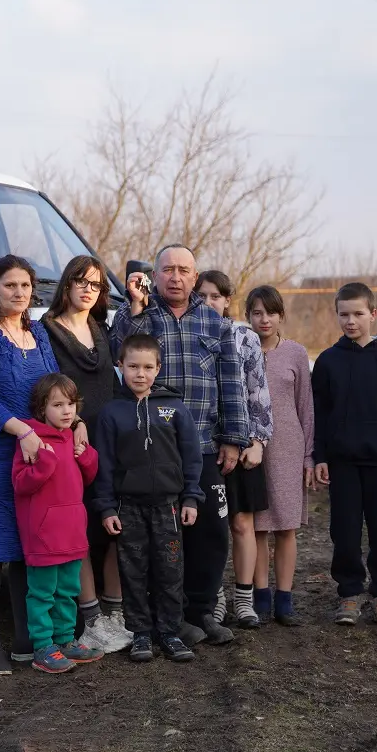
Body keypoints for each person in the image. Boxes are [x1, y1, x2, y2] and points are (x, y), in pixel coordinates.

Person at [112, 245, 251, 648]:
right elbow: (116, 352)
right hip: (150, 447)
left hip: (205, 445)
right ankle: (164, 617)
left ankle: (201, 612)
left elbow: (232, 382)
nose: (175, 277)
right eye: (167, 270)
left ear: (195, 277)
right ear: (154, 276)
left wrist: (233, 438)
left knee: (210, 530)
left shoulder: (215, 322)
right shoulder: (139, 314)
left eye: (184, 270)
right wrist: (134, 309)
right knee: (159, 536)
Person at [0, 254, 62, 675]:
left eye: (25, 286)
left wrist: (73, 425)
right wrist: (22, 431)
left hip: (36, 457)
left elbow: (56, 387)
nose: (19, 293)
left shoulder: (38, 332)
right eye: (10, 286)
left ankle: (26, 639)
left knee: (27, 548)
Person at [312, 282, 377, 627]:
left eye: (358, 314)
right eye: (344, 314)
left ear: (373, 314)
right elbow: (320, 413)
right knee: (344, 531)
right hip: (342, 462)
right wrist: (321, 456)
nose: (351, 321)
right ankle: (349, 593)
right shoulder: (329, 361)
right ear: (337, 316)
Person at [40, 256, 132, 654]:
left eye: (95, 284)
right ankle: (91, 619)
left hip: (107, 441)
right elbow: (46, 390)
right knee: (79, 535)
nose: (88, 289)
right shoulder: (45, 331)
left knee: (112, 526)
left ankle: (115, 616)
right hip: (71, 445)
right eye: (81, 281)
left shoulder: (101, 328)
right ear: (66, 284)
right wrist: (72, 422)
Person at [94, 334, 202, 663]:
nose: (140, 374)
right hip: (129, 508)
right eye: (133, 366)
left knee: (170, 570)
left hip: (169, 506)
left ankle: (169, 631)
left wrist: (191, 498)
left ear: (158, 369)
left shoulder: (175, 408)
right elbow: (105, 465)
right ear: (120, 366)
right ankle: (140, 632)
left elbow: (191, 456)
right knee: (133, 570)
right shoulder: (112, 413)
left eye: (147, 367)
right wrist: (107, 507)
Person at [12, 373, 106, 673]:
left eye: (71, 404)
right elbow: (20, 484)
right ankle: (42, 646)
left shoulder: (73, 437)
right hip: (43, 534)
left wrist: (87, 457)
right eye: (58, 405)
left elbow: (87, 479)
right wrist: (44, 463)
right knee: (42, 592)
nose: (67, 411)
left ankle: (66, 640)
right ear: (42, 409)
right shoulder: (31, 441)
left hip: (72, 531)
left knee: (67, 589)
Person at [195, 270, 273, 629]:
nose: (209, 302)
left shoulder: (244, 336)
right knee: (209, 526)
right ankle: (214, 597)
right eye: (204, 295)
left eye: (216, 296)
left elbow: (258, 393)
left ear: (228, 300)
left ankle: (244, 599)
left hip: (241, 446)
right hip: (204, 445)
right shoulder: (189, 332)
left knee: (242, 524)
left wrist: (257, 441)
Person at [245, 285, 315, 626]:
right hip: (253, 449)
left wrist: (309, 458)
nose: (264, 319)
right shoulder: (239, 351)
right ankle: (259, 597)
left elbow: (306, 407)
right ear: (248, 317)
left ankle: (284, 599)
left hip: (289, 446)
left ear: (281, 316)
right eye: (257, 313)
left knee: (286, 527)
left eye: (270, 312)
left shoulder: (296, 354)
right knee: (257, 526)